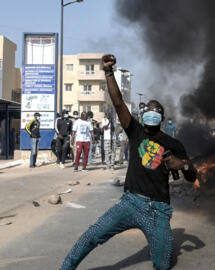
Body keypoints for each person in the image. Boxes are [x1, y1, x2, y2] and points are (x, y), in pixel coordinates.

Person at [61, 55, 197, 270]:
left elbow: (192, 176)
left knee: (163, 264)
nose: (152, 112)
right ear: (143, 114)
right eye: (148, 109)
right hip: (130, 202)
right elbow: (117, 102)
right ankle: (65, 267)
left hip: (158, 210)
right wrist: (108, 72)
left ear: (162, 117)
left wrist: (184, 165)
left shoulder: (173, 143)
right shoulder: (135, 131)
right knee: (93, 235)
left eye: (156, 110)